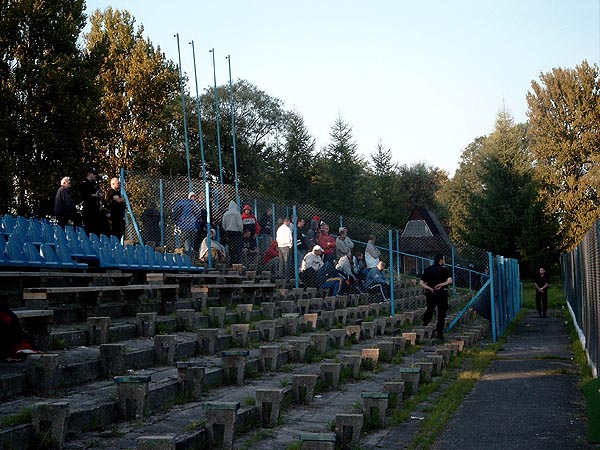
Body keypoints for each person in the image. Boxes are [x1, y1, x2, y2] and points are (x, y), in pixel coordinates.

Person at [420, 254, 453, 341]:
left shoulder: (428, 270)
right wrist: (441, 284)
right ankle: (439, 333)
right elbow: (450, 281)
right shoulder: (444, 270)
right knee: (441, 313)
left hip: (431, 293)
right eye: (443, 260)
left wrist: (428, 288)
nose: (444, 262)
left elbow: (421, 282)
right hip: (442, 293)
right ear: (440, 260)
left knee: (430, 309)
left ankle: (425, 323)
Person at [80, 168, 108, 236]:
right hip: (88, 210)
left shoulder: (94, 184)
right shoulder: (84, 183)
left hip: (95, 210)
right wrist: (94, 195)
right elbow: (84, 195)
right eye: (94, 174)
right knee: (90, 231)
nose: (96, 176)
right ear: (89, 174)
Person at [173, 192, 202, 257]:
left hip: (189, 225)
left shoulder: (186, 204)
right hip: (188, 225)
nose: (193, 198)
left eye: (194, 196)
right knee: (188, 239)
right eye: (192, 196)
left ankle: (189, 252)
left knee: (190, 239)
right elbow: (198, 214)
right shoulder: (193, 205)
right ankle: (188, 253)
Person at [221, 200, 244, 265]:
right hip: (236, 232)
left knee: (231, 247)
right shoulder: (237, 213)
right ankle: (238, 262)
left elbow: (223, 224)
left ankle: (231, 261)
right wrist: (241, 230)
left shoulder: (225, 214)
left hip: (228, 232)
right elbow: (239, 224)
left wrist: (226, 229)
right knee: (237, 247)